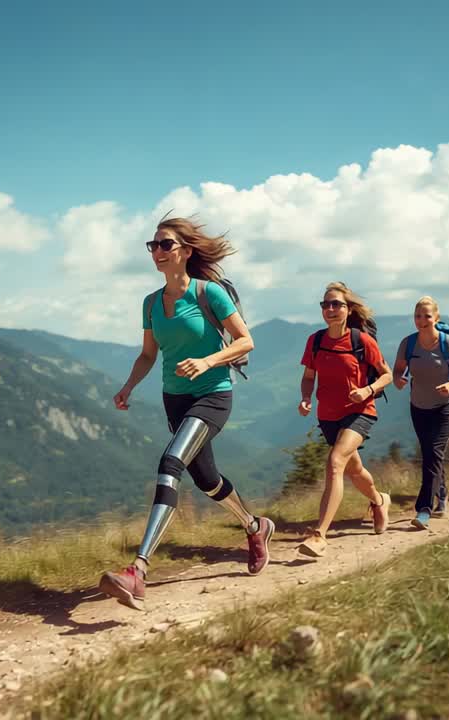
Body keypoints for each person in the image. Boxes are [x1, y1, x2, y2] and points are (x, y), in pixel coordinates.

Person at [99, 217, 275, 611]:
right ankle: (255, 526)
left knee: (170, 462)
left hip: (212, 396)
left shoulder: (209, 293)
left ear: (186, 251)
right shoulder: (150, 303)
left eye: (165, 245)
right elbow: (149, 354)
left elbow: (246, 340)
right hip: (174, 399)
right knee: (208, 481)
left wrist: (208, 361)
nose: (157, 252)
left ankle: (138, 571)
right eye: (153, 245)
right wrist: (128, 386)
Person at [296, 282, 394, 557]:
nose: (330, 309)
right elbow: (308, 377)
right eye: (325, 305)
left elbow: (386, 374)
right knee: (353, 470)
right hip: (327, 415)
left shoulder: (361, 341)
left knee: (335, 462)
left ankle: (319, 535)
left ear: (348, 309)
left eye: (336, 304)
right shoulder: (315, 341)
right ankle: (379, 500)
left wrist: (367, 390)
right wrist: (306, 398)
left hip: (360, 411)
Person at [392, 296, 449, 529]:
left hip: (447, 404)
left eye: (427, 316)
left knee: (434, 451)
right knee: (430, 453)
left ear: (436, 318)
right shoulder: (408, 344)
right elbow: (398, 371)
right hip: (419, 406)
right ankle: (443, 493)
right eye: (418, 316)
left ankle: (424, 510)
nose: (422, 320)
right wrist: (399, 380)